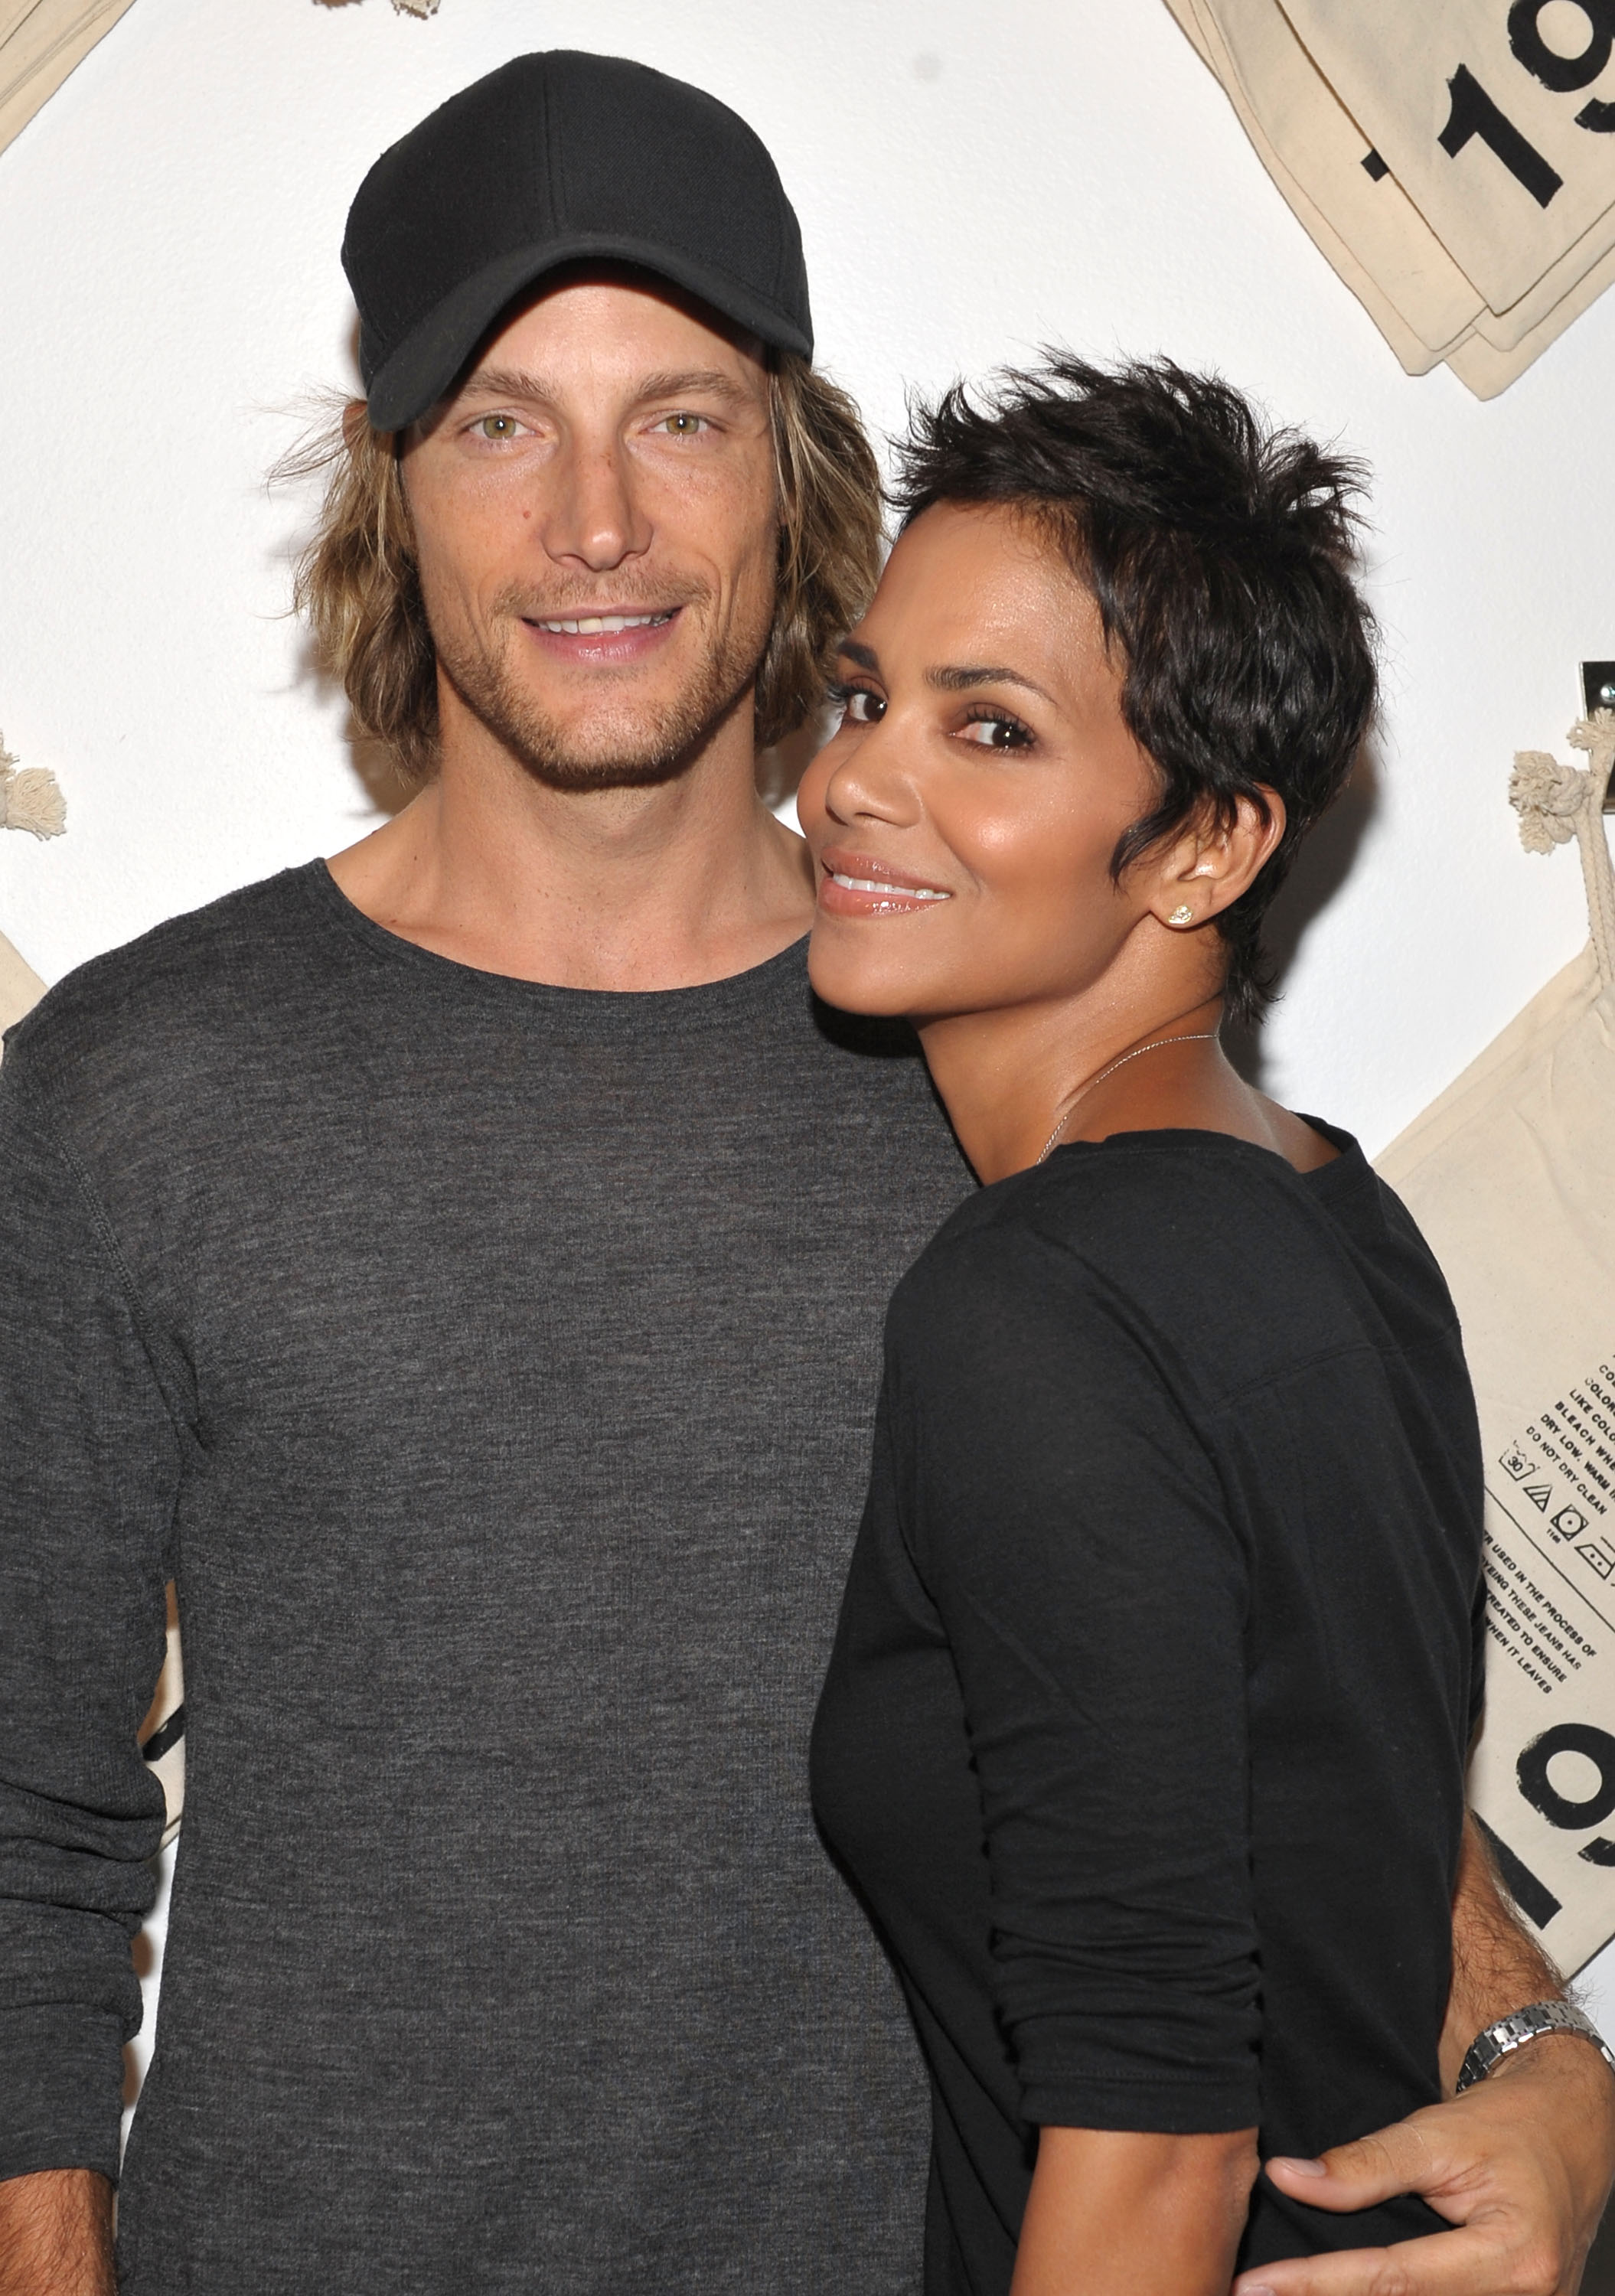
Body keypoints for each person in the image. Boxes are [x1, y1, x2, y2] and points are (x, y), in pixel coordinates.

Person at [0, 47, 1607, 2296]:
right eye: (498, 422)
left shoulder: (988, 1059)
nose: (593, 524)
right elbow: (28, 1842)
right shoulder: (129, 1089)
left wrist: (1526, 2037)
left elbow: (1207, 1690)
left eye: (676, 415)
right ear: (386, 485)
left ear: (789, 466)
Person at [801, 356, 1615, 2296]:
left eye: (987, 729)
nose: (851, 779)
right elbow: (1329, 1806)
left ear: (1203, 848)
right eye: (859, 696)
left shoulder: (1036, 1303)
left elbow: (1157, 2152)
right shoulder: (1333, 1207)